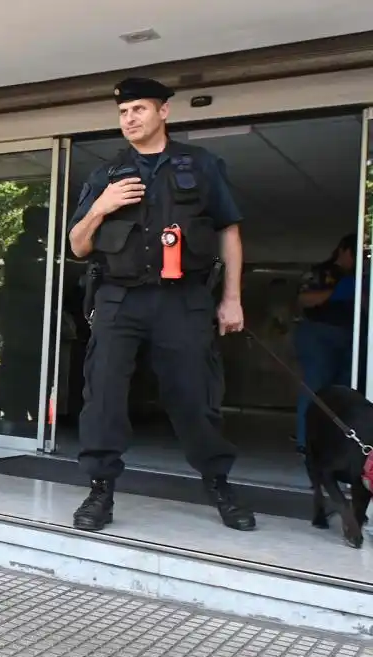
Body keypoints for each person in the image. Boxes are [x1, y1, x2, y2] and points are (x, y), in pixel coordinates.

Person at [66, 77, 255, 532]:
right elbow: (77, 245)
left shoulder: (202, 165)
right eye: (123, 112)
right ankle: (100, 489)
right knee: (104, 394)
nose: (129, 119)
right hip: (119, 298)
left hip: (183, 299)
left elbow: (229, 231)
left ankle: (218, 482)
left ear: (164, 112)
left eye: (139, 110)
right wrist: (101, 207)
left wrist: (232, 299)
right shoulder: (105, 175)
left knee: (195, 394)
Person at [293, 233, 359, 452]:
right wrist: (334, 293)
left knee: (344, 392)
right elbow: (304, 300)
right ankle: (305, 441)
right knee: (315, 387)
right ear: (343, 250)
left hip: (350, 336)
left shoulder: (360, 276)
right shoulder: (322, 272)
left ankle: (336, 441)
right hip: (318, 334)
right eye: (354, 252)